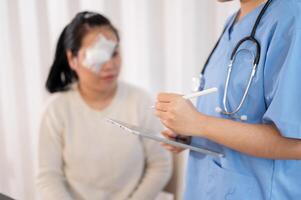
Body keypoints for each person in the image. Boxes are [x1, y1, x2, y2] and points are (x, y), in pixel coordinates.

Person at [155, 0, 301, 199]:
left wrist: (199, 123)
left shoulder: (292, 17)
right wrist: (190, 134)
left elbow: (296, 144)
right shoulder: (234, 22)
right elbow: (232, 114)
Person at [36, 11, 172, 200]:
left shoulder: (139, 102)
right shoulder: (56, 110)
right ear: (72, 59)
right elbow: (48, 177)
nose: (110, 65)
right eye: (98, 55)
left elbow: (160, 165)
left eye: (114, 53)